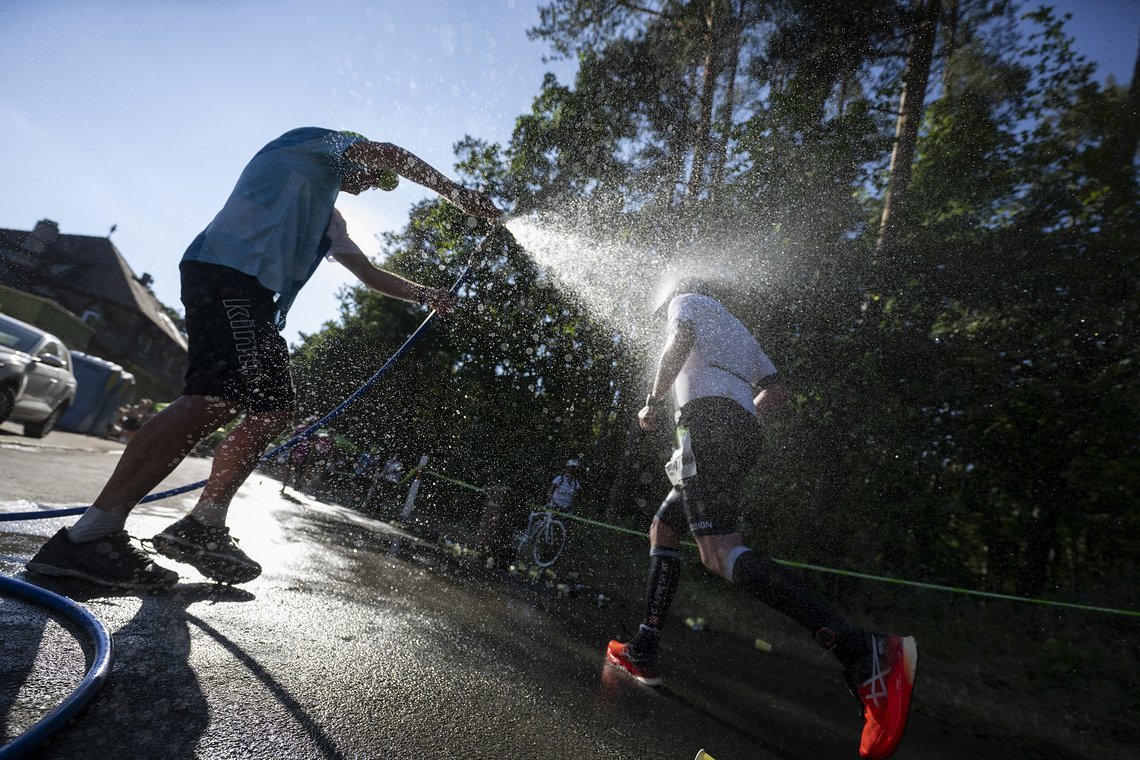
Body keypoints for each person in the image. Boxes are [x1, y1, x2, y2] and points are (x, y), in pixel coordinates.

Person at [26, 127, 502, 589]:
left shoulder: (327, 216)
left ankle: (203, 525)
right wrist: (459, 196)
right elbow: (389, 152)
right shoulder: (311, 142)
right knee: (213, 398)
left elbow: (368, 272)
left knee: (271, 408)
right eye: (376, 176)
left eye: (379, 184)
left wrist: (427, 295)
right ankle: (90, 535)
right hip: (228, 273)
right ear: (358, 154)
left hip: (252, 296)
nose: (371, 184)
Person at [603, 277, 917, 760]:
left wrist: (652, 400)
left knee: (718, 551)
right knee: (664, 525)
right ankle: (643, 648)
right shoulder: (736, 327)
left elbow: (678, 341)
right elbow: (777, 390)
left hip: (706, 423)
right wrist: (734, 418)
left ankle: (863, 652)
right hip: (738, 429)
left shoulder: (685, 302)